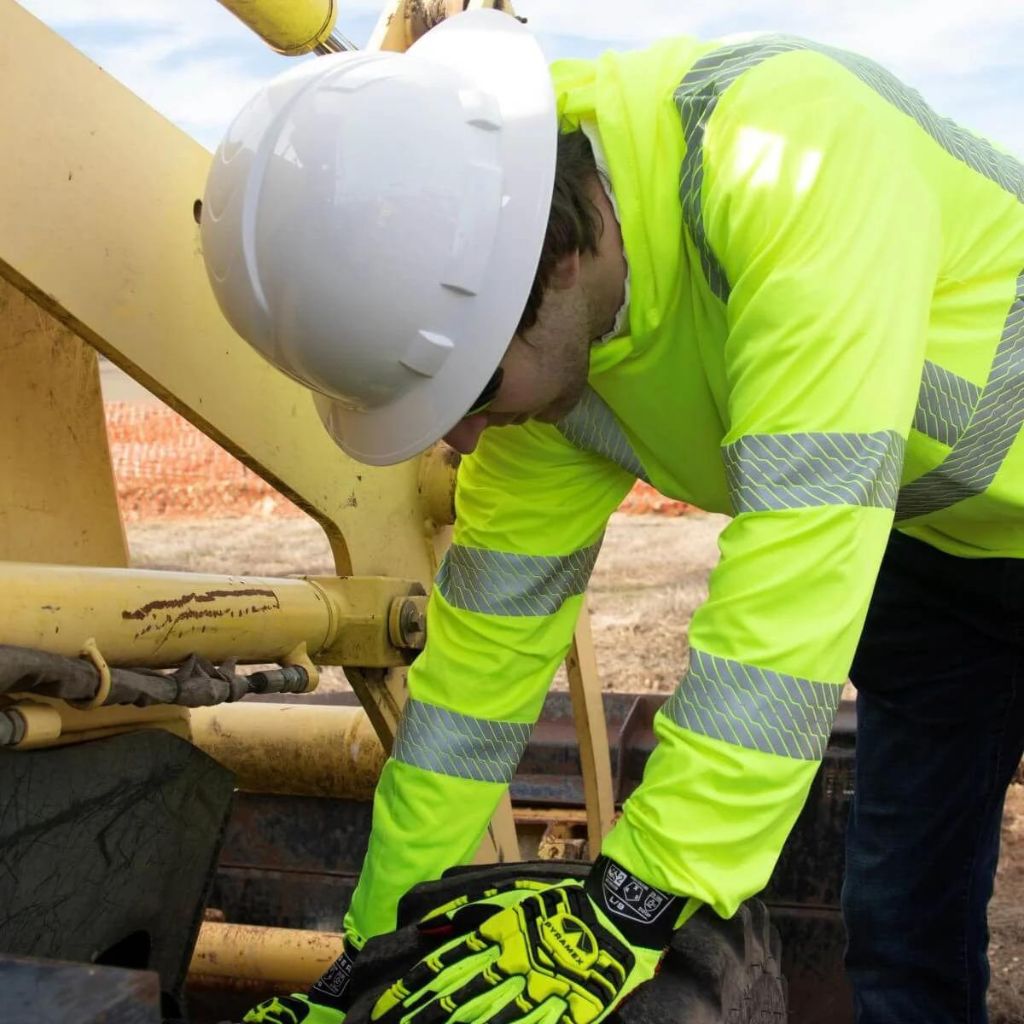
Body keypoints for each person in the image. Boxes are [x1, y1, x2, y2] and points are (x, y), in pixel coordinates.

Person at [201, 9, 1024, 1024]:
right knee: (901, 933)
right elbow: (470, 700)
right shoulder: (548, 380)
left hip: (898, 531)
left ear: (549, 266)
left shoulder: (788, 153)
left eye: (468, 390)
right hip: (929, 557)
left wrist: (630, 906)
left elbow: (793, 573)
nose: (456, 441)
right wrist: (370, 959)